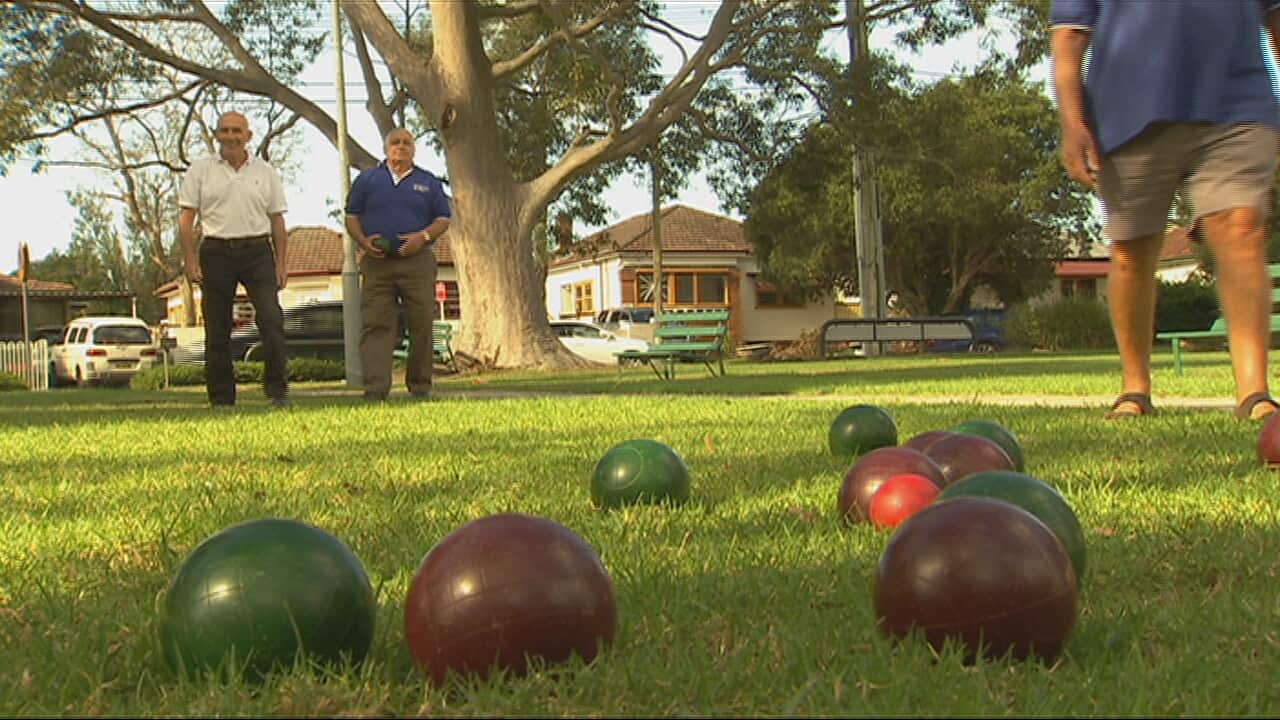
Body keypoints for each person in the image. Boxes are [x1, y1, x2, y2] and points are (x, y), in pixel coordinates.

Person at [1051, 1, 1280, 420]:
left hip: (1239, 103)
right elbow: (1069, 35)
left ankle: (1254, 394)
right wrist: (1072, 122)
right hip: (1129, 108)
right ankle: (1135, 388)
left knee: (1241, 228)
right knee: (1132, 252)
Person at [178, 111, 290, 408]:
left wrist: (281, 264)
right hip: (216, 252)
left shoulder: (265, 172)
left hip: (257, 252)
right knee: (217, 329)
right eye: (225, 131)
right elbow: (186, 219)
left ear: (248, 136)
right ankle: (222, 399)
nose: (231, 136)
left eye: (236, 131)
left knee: (271, 320)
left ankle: (278, 393)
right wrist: (190, 261)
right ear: (217, 135)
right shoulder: (201, 170)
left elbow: (277, 221)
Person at [344, 128, 452, 402]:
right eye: (395, 142)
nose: (400, 147)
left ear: (414, 149)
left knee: (421, 324)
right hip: (377, 264)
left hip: (417, 264)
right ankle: (376, 388)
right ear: (386, 148)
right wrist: (363, 241)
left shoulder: (428, 182)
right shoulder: (368, 179)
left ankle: (420, 387)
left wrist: (423, 237)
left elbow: (443, 218)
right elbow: (352, 217)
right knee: (376, 324)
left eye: (406, 143)